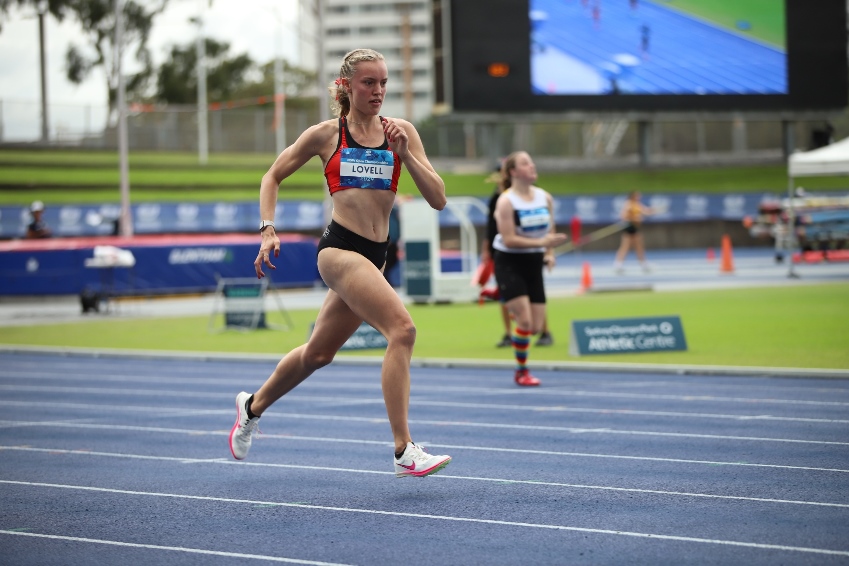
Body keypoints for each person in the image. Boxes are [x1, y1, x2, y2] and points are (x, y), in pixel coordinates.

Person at [229, 48, 451, 478]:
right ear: (346, 86)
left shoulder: (400, 131)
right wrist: (267, 228)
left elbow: (439, 199)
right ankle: (404, 448)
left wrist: (406, 156)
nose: (379, 91)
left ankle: (252, 407)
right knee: (402, 329)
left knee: (318, 354)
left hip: (376, 255)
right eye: (370, 82)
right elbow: (271, 176)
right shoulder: (325, 135)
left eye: (384, 82)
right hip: (339, 250)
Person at [492, 151, 567, 386]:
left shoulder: (545, 197)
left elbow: (549, 231)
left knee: (534, 327)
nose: (532, 166)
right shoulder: (506, 201)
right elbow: (509, 238)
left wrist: (550, 253)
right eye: (526, 163)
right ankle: (521, 371)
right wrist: (542, 244)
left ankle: (505, 296)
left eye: (532, 162)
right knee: (524, 321)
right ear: (513, 172)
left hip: (534, 262)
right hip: (509, 261)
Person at [482, 166, 554, 349]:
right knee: (518, 311)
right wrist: (486, 249)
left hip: (532, 258)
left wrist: (548, 251)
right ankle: (509, 332)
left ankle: (542, 329)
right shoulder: (500, 200)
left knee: (532, 321)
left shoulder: (536, 197)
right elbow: (492, 227)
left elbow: (547, 227)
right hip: (506, 257)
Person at [613, 190, 654, 273]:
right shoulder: (628, 204)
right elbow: (624, 216)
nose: (639, 197)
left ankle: (644, 265)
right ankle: (618, 265)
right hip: (629, 228)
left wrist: (651, 211)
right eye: (637, 196)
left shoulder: (637, 204)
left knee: (639, 247)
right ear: (632, 196)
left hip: (635, 228)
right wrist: (635, 218)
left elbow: (645, 211)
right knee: (625, 247)